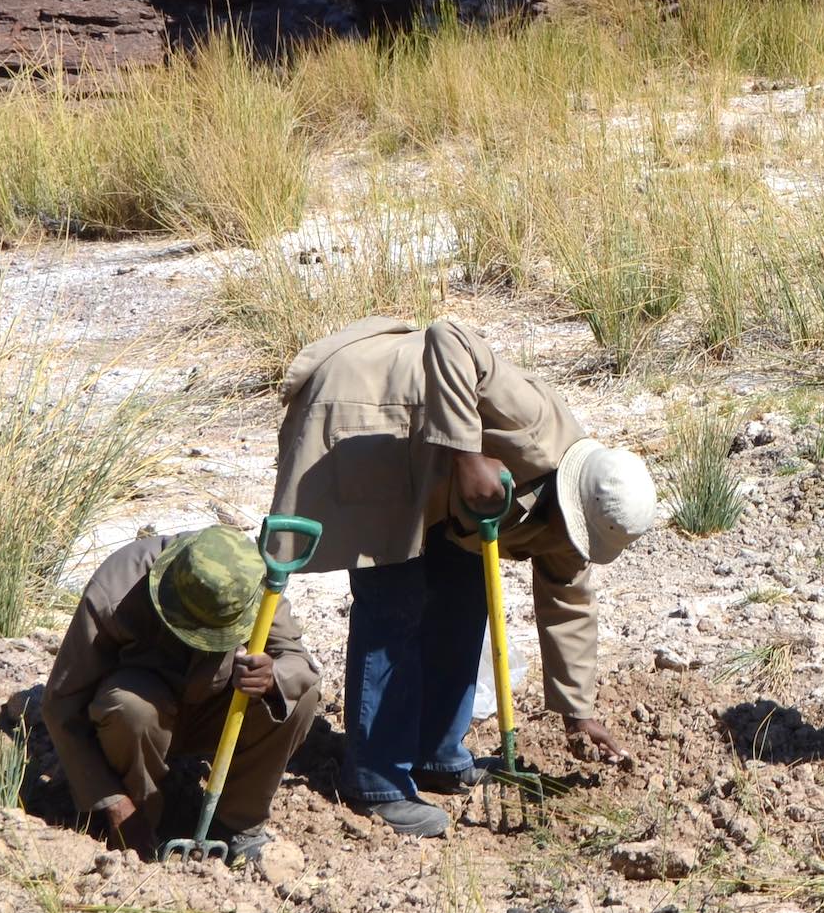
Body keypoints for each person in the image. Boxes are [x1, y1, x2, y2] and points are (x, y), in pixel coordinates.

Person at [269, 317, 661, 838]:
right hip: (369, 420)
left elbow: (569, 598)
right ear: (573, 502)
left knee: (463, 591)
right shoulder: (534, 422)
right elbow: (447, 338)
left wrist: (577, 710)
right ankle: (377, 780)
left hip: (427, 466)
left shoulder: (575, 515)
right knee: (396, 600)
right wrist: (469, 456)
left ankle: (436, 754)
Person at [42, 525, 323, 860]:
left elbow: (299, 664)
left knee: (301, 696)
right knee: (130, 707)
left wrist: (271, 676)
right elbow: (62, 706)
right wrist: (113, 801)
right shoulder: (116, 590)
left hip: (210, 714)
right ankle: (144, 818)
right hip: (139, 724)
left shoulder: (250, 583)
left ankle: (235, 824)